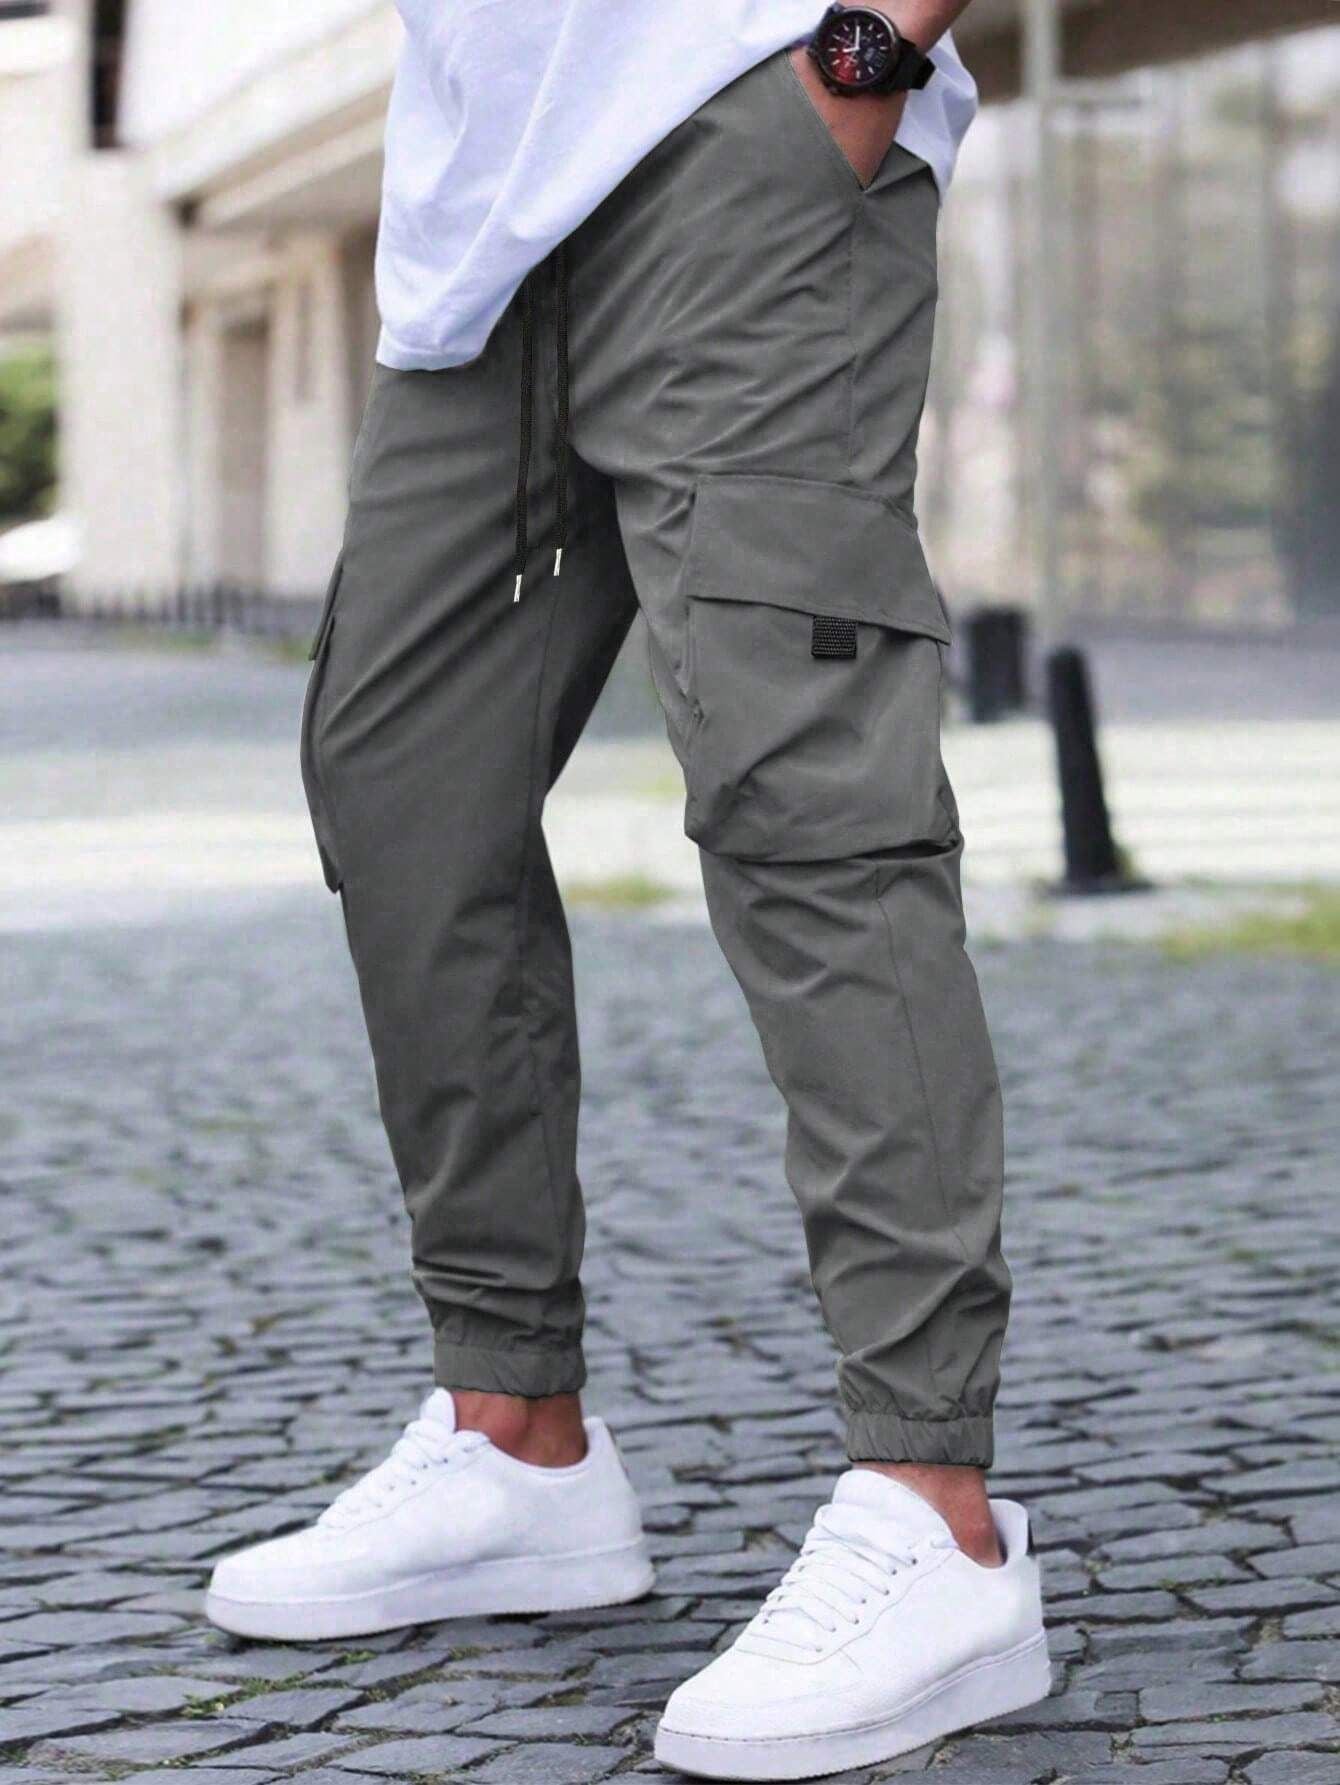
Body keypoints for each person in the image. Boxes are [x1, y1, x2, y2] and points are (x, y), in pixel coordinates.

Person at [205, 3, 1049, 1774]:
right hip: (483, 198)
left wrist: (868, 50)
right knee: (401, 779)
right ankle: (516, 1436)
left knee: (803, 797)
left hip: (748, 115)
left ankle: (936, 1511)